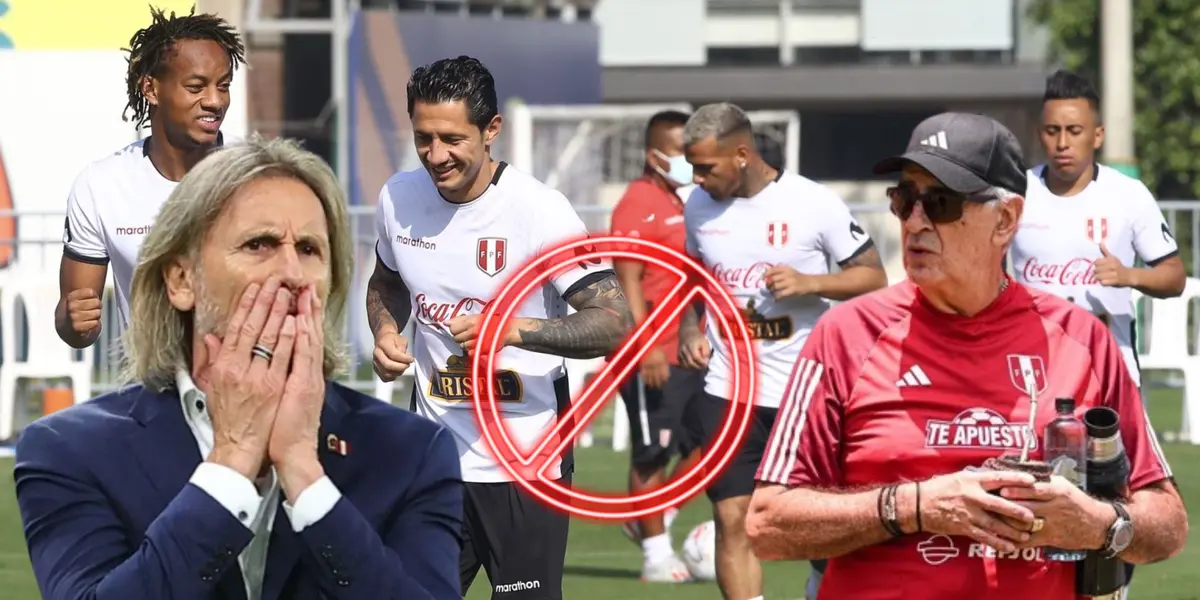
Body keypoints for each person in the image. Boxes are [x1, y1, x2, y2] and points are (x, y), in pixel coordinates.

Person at [746, 112, 1188, 599]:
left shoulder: (1084, 340)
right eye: (904, 199)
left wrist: (1098, 524)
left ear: (1005, 220)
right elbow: (768, 523)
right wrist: (913, 506)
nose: (914, 222)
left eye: (940, 202)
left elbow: (1167, 522)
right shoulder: (845, 336)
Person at [15, 137, 463, 599]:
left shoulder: (408, 451)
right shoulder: (71, 451)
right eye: (259, 244)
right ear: (182, 279)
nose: (291, 272)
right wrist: (231, 463)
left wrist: (306, 481)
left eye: (309, 249)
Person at [367, 56, 634, 600]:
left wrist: (513, 330)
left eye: (451, 138)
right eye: (423, 138)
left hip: (525, 465)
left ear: (491, 131)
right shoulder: (398, 198)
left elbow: (613, 322)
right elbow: (386, 282)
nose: (435, 156)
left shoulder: (540, 212)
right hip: (435, 460)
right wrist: (385, 329)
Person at [677, 102, 889, 600]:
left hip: (806, 395)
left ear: (743, 155)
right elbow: (692, 277)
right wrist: (690, 329)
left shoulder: (813, 204)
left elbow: (874, 276)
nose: (697, 179)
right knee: (734, 519)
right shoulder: (698, 207)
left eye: (706, 167)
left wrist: (811, 281)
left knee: (819, 530)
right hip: (730, 392)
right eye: (692, 168)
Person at [57, 6, 244, 349]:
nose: (215, 101)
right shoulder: (100, 187)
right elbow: (74, 322)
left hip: (247, 387)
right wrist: (73, 321)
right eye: (196, 87)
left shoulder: (256, 174)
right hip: (151, 392)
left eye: (224, 86)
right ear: (151, 89)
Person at [1012, 69, 1185, 389]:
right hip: (1035, 371)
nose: (1063, 142)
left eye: (1074, 130)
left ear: (1097, 135)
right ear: (1040, 134)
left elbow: (1174, 276)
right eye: (1053, 131)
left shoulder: (1129, 194)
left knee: (1108, 441)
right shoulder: (1015, 193)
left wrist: (1129, 276)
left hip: (1109, 371)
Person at [608, 109, 706, 582]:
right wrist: (646, 347)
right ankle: (654, 554)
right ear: (655, 156)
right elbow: (627, 280)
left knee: (714, 440)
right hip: (648, 352)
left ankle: (653, 515)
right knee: (651, 452)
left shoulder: (693, 201)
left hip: (689, 349)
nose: (693, 159)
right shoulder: (637, 203)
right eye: (683, 152)